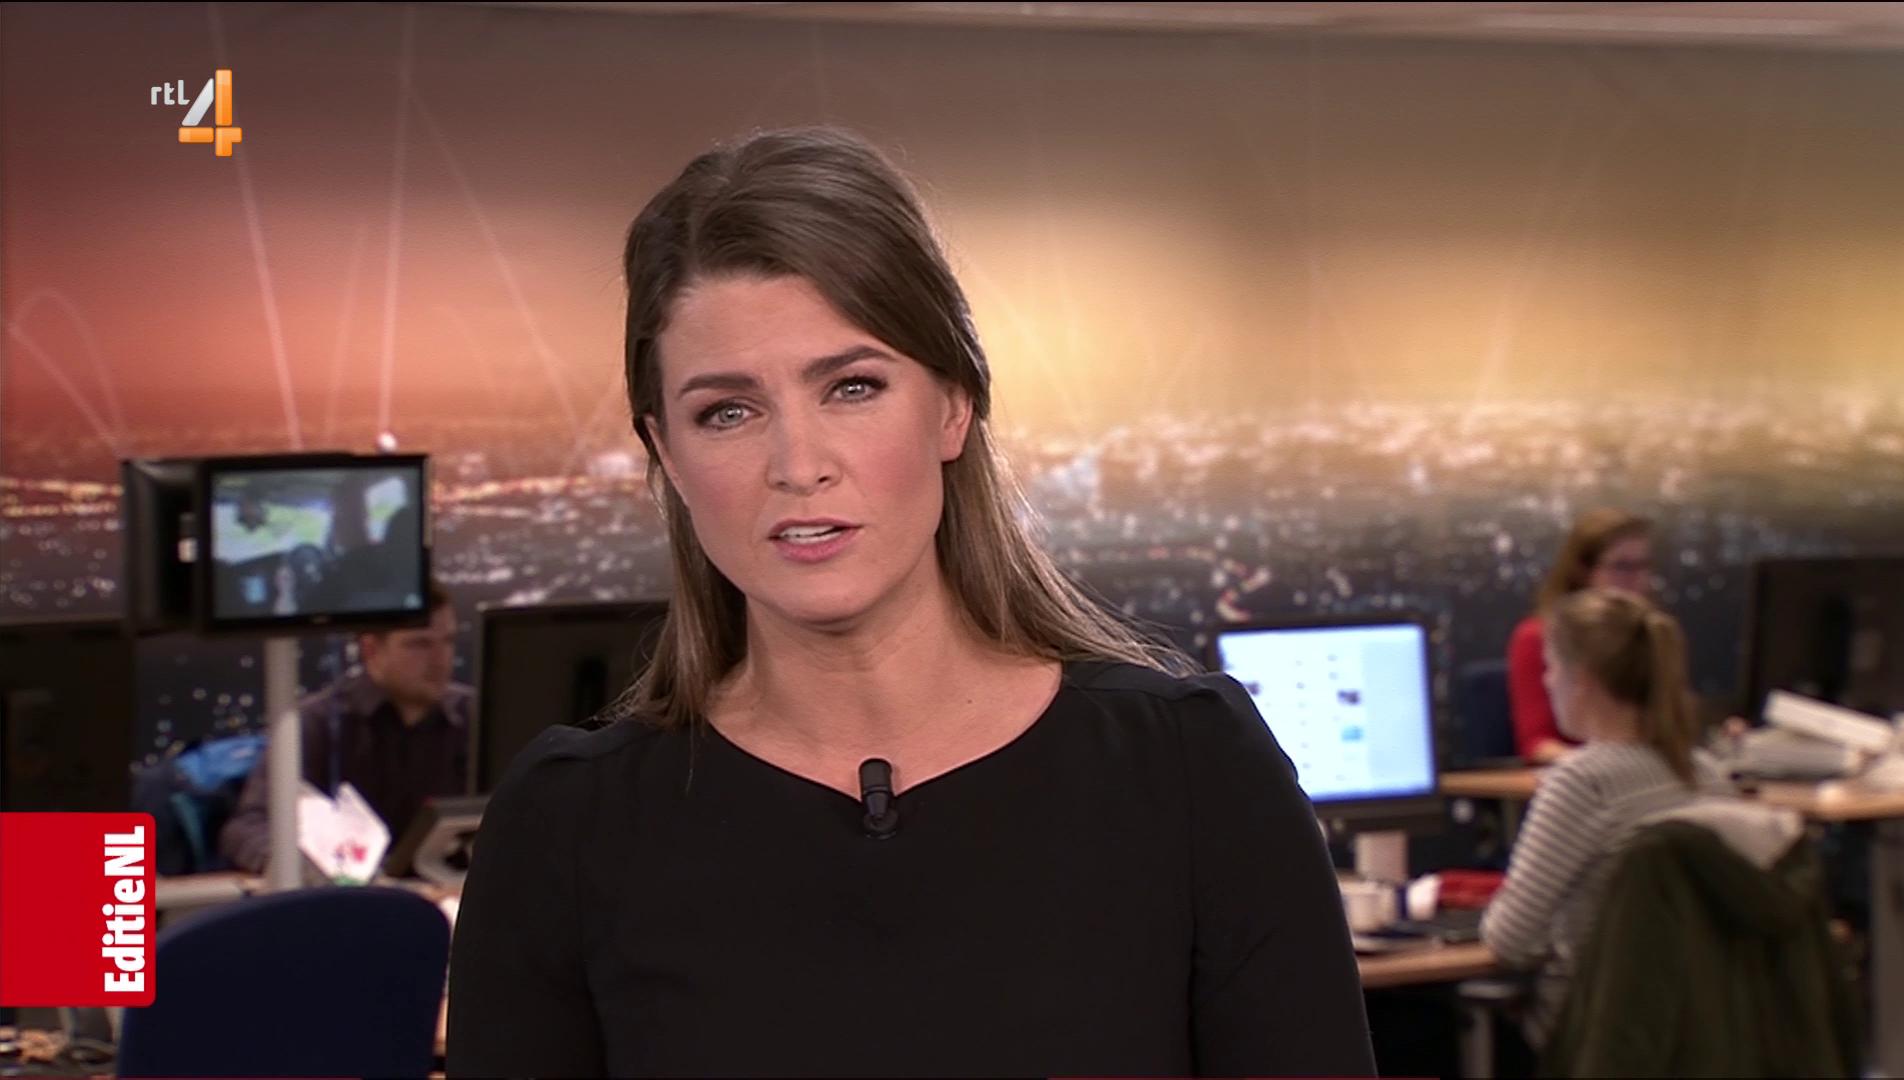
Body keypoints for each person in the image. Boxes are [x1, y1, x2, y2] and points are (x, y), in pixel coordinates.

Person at [446, 128, 1374, 1078]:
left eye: (852, 387)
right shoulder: (567, 827)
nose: (798, 464)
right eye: (728, 411)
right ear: (667, 455)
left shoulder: (1190, 770)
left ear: (953, 406)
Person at [1481, 586, 1734, 1052]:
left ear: (1581, 680)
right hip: (1701, 1042)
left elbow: (1508, 939)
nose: (1547, 682)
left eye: (1551, 668)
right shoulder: (1710, 776)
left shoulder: (1582, 783)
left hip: (1594, 1042)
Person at [217, 581, 472, 873]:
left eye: (448, 641)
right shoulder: (317, 724)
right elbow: (248, 828)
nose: (441, 660)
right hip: (350, 892)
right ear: (371, 649)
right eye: (420, 644)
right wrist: (307, 869)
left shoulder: (474, 716)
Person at [1507, 508, 1654, 764]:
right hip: (1584, 775)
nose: (1637, 580)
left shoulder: (1652, 633)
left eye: (1643, 566)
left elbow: (1665, 725)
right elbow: (1538, 745)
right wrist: (1606, 768)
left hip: (1643, 770)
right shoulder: (1538, 637)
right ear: (1583, 572)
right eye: (1623, 567)